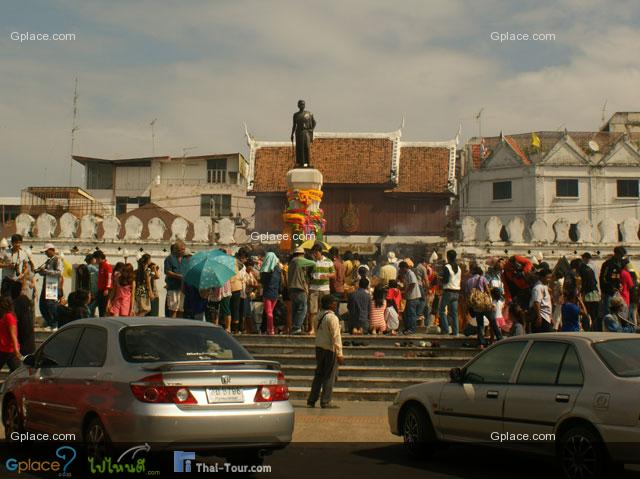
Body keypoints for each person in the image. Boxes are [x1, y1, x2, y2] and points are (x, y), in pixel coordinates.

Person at [307, 295, 343, 409]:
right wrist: (340, 354)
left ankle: (312, 400)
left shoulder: (318, 316)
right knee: (329, 376)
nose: (335, 304)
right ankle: (326, 401)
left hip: (319, 347)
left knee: (318, 375)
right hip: (329, 349)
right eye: (334, 302)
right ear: (330, 304)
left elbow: (317, 332)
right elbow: (336, 336)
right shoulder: (332, 318)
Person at [466, 265, 502, 348]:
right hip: (485, 304)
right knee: (493, 322)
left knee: (480, 324)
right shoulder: (482, 278)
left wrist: (470, 306)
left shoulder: (469, 281)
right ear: (480, 272)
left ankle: (481, 342)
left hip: (476, 305)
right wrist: (490, 301)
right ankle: (500, 338)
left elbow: (467, 294)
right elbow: (487, 290)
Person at [308, 244, 335, 335]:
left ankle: (327, 328)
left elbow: (333, 274)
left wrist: (326, 275)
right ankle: (312, 328)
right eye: (313, 253)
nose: (314, 255)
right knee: (313, 310)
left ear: (320, 252)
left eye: (316, 253)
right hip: (314, 288)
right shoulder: (311, 262)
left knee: (327, 309)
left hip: (325, 288)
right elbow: (307, 274)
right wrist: (311, 277)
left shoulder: (328, 261)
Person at [288, 246, 316, 335]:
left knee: (295, 309)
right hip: (299, 288)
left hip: (292, 289)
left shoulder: (291, 262)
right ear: (301, 254)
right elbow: (313, 263)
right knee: (302, 308)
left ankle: (294, 327)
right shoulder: (299, 260)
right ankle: (297, 328)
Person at [35, 243, 63, 331]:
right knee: (43, 305)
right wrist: (40, 271)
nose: (45, 253)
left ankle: (55, 324)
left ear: (52, 250)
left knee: (51, 305)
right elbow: (45, 272)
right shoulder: (49, 260)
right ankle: (49, 322)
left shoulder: (57, 259)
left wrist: (46, 271)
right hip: (46, 284)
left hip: (53, 285)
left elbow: (59, 273)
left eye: (46, 251)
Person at [0, 234, 32, 298]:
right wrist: (7, 265)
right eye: (16, 242)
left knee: (15, 303)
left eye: (19, 243)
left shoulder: (23, 253)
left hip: (17, 281)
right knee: (5, 302)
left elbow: (26, 267)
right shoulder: (5, 252)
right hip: (7, 281)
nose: (17, 244)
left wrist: (22, 275)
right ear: (12, 243)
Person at [438, 250, 461, 336]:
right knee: (454, 313)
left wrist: (440, 279)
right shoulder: (458, 268)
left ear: (447, 257)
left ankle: (446, 329)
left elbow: (446, 280)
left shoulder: (447, 267)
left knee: (441, 310)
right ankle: (455, 332)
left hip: (448, 291)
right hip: (457, 292)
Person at [600, 246, 626, 317]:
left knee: (618, 311)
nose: (621, 257)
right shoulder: (608, 264)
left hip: (616, 292)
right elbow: (603, 279)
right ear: (616, 254)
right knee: (608, 312)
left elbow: (618, 277)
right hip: (608, 292)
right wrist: (611, 287)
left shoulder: (619, 264)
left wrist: (620, 284)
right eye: (621, 255)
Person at [576, 256, 601, 331]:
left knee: (586, 314)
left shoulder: (582, 271)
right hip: (595, 295)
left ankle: (588, 329)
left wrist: (580, 292)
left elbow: (585, 284)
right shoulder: (589, 269)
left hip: (588, 296)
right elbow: (595, 282)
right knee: (595, 315)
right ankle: (596, 329)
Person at [260, 252, 281, 336]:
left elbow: (262, 282)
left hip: (267, 294)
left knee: (269, 312)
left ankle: (271, 329)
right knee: (270, 311)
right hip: (275, 294)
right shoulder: (278, 269)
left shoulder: (266, 270)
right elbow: (280, 282)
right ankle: (269, 329)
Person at [291, 99, 317, 167]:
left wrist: (311, 130)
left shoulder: (308, 114)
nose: (302, 105)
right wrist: (292, 134)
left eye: (303, 104)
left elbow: (314, 122)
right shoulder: (296, 115)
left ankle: (308, 163)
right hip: (299, 133)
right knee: (300, 148)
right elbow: (294, 125)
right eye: (301, 104)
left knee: (307, 147)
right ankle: (301, 163)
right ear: (298, 105)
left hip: (306, 132)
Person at [165, 241, 186, 318]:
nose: (184, 251)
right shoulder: (170, 258)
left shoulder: (185, 259)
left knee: (181, 309)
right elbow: (167, 271)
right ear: (176, 250)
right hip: (173, 287)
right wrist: (179, 276)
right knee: (173, 309)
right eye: (182, 249)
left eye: (184, 249)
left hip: (182, 288)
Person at [0, 296, 22, 372]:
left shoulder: (8, 316)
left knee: (17, 371)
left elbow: (13, 334)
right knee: (16, 371)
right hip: (6, 349)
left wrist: (16, 349)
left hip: (7, 349)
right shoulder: (7, 316)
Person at [530, 263, 554, 333]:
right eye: (548, 278)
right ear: (542, 277)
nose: (549, 280)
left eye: (550, 278)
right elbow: (536, 302)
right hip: (542, 317)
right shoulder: (538, 287)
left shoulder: (544, 286)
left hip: (546, 317)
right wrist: (539, 317)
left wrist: (550, 317)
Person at [398, 261, 420, 335]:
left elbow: (412, 284)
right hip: (409, 297)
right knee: (407, 313)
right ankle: (408, 328)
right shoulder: (406, 274)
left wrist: (406, 292)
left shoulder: (410, 273)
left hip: (413, 297)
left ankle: (412, 329)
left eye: (401, 269)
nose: (400, 270)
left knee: (411, 313)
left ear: (404, 268)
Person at [93, 250, 113, 317]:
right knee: (100, 308)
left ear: (99, 258)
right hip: (100, 290)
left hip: (105, 291)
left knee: (104, 308)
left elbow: (109, 278)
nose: (96, 261)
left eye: (96, 259)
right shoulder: (100, 266)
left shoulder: (107, 266)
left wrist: (107, 289)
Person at [329, 247, 346, 312]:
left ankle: (339, 320)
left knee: (334, 310)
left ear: (332, 254)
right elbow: (344, 278)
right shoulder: (341, 264)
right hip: (341, 289)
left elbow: (333, 278)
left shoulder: (333, 264)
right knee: (336, 309)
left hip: (334, 289)